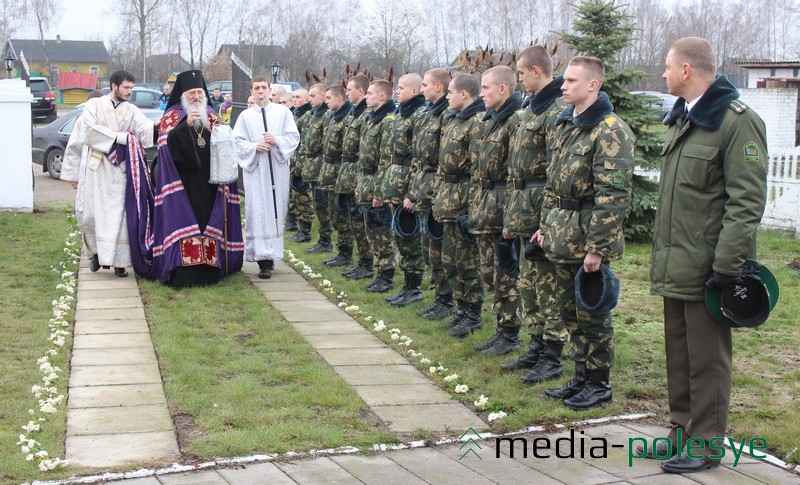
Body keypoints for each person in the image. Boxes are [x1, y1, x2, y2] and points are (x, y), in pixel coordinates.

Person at [648, 37, 768, 473]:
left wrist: (727, 266)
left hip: (709, 266)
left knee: (707, 359)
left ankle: (706, 444)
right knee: (679, 355)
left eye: (667, 66)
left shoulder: (736, 123)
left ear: (686, 70)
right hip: (676, 262)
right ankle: (681, 434)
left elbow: (746, 203)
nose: (662, 74)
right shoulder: (683, 120)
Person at [537, 56, 634, 409]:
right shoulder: (566, 124)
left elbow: (613, 197)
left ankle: (598, 382)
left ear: (593, 85)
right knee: (568, 312)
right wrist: (545, 227)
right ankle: (579, 375)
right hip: (561, 235)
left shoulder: (610, 131)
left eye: (572, 81)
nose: (563, 86)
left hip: (588, 237)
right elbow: (552, 184)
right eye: (564, 80)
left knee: (592, 315)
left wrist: (598, 248)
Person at [499, 45, 569, 385]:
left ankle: (553, 356)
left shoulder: (556, 109)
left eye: (523, 73)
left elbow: (556, 169)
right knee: (529, 285)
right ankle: (537, 345)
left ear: (537, 72)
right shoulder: (531, 108)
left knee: (547, 285)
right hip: (525, 203)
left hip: (543, 205)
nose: (520, 79)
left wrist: (547, 221)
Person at [143, 69, 245, 286]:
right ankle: (184, 272)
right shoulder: (172, 116)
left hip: (209, 185)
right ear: (183, 96)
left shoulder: (212, 115)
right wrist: (185, 126)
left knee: (209, 223)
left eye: (199, 92)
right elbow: (164, 149)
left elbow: (224, 147)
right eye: (192, 93)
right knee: (186, 224)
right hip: (182, 184)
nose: (197, 97)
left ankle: (209, 270)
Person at [61, 70, 159, 278]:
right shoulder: (94, 105)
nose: (129, 92)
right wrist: (72, 172)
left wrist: (159, 127)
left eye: (131, 88)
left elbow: (144, 130)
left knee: (119, 216)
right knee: (90, 214)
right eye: (126, 87)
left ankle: (120, 263)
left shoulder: (132, 110)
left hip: (119, 171)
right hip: (95, 170)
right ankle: (95, 253)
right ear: (114, 86)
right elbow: (85, 133)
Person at [453, 66, 522, 356]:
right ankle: (500, 328)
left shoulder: (515, 122)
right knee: (490, 274)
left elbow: (516, 173)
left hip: (502, 207)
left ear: (503, 89)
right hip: (485, 207)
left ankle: (510, 333)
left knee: (505, 276)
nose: (481, 94)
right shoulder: (490, 121)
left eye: (486, 88)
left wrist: (511, 216)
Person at [233, 76, 300, 279]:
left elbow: (293, 136)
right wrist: (255, 146)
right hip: (256, 170)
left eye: (263, 87)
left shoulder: (283, 112)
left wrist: (276, 140)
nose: (260, 91)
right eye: (256, 88)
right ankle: (262, 260)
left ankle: (271, 256)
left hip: (276, 170)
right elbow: (237, 141)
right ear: (252, 92)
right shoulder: (245, 116)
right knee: (258, 211)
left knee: (274, 210)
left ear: (269, 90)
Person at [434, 73, 485, 333]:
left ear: (464, 94)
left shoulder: (476, 122)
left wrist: (473, 206)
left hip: (464, 195)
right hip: (449, 195)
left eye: (451, 92)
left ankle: (473, 313)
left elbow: (478, 167)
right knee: (451, 258)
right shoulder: (453, 118)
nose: (447, 96)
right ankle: (460, 307)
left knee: (467, 259)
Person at [381, 73, 427, 306]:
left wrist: (412, 193)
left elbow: (419, 156)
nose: (397, 91)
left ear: (415, 91)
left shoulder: (419, 115)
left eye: (401, 87)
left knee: (410, 237)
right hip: (397, 181)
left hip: (409, 181)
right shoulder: (401, 113)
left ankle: (415, 287)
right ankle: (407, 285)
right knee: (400, 236)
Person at [410, 68, 451, 315]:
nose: (422, 89)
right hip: (425, 186)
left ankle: (447, 300)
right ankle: (439, 297)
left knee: (441, 249)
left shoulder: (448, 115)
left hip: (440, 188)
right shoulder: (428, 114)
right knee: (429, 249)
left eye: (425, 85)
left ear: (439, 87)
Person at [357, 79, 397, 293]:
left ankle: (387, 275)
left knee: (381, 231)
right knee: (371, 229)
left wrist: (380, 191)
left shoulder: (388, 121)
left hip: (377, 182)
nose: (366, 96)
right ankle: (378, 271)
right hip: (367, 180)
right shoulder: (372, 118)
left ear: (382, 96)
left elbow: (386, 158)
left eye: (370, 93)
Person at [338, 75, 374, 280]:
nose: (347, 92)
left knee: (361, 219)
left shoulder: (367, 115)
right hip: (348, 171)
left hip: (359, 173)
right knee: (352, 217)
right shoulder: (354, 113)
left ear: (360, 91)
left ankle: (367, 263)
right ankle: (361, 260)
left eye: (350, 89)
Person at [319, 85, 353, 267]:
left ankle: (346, 252)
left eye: (329, 98)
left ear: (340, 98)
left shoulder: (347, 118)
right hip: (330, 169)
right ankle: (341, 250)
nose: (326, 101)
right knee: (334, 212)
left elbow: (346, 147)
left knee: (341, 214)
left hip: (341, 169)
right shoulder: (333, 117)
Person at [301, 84, 332, 254]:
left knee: (322, 203)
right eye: (309, 96)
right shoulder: (312, 115)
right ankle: (323, 240)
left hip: (321, 163)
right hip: (312, 163)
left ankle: (326, 240)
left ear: (322, 96)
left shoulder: (326, 115)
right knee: (317, 203)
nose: (310, 99)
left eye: (313, 96)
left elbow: (325, 140)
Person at [289, 88, 314, 240]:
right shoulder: (295, 114)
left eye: (298, 97)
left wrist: (300, 164)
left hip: (302, 161)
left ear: (306, 100)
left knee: (304, 197)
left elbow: (304, 141)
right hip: (294, 160)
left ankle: (305, 231)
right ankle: (299, 228)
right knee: (296, 196)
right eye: (293, 97)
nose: (295, 100)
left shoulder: (307, 116)